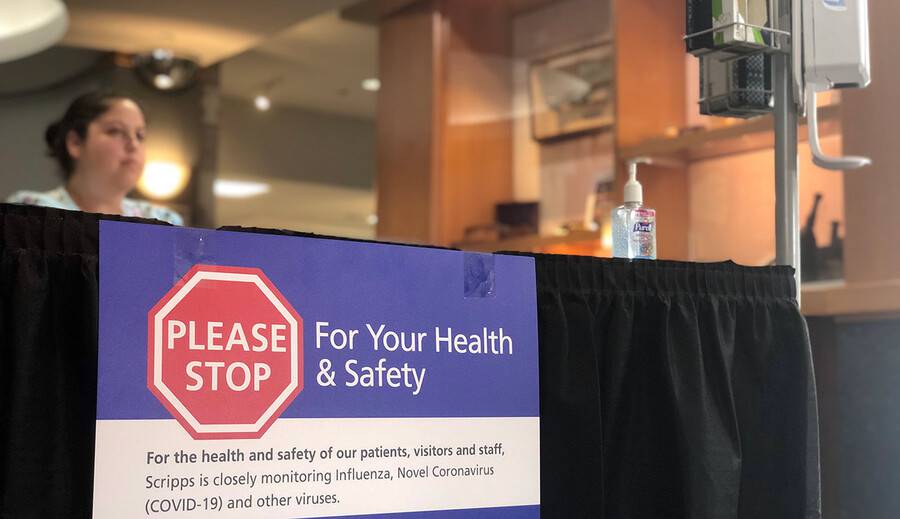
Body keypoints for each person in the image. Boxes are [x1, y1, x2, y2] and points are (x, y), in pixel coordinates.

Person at [6, 91, 183, 225]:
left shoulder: (163, 221)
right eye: (115, 131)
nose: (133, 144)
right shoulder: (30, 210)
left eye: (140, 135)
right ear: (75, 143)